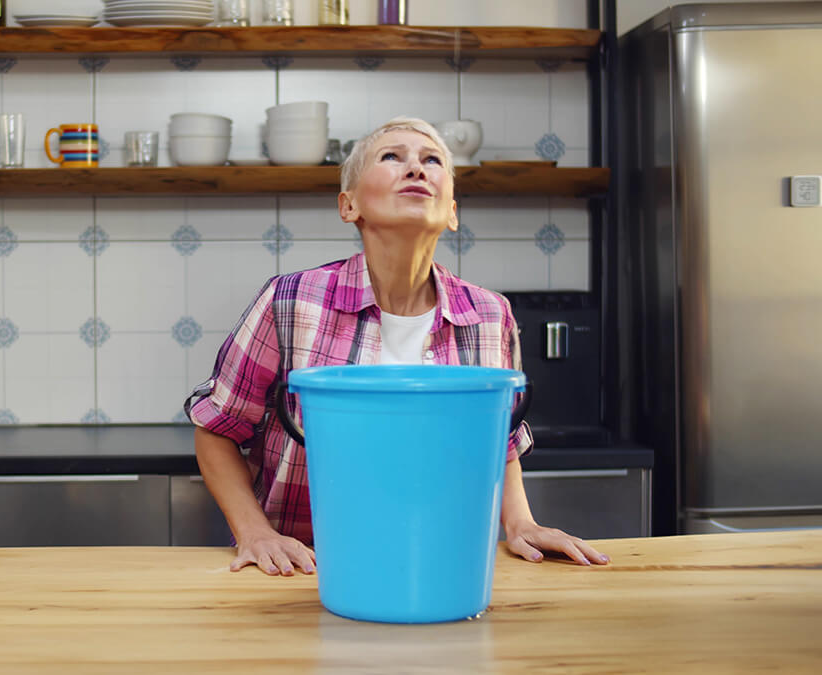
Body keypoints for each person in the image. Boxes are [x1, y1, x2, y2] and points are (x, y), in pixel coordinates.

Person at [184, 117, 610, 576]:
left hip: (444, 565)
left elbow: (497, 441)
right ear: (348, 206)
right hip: (306, 569)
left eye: (432, 160)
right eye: (392, 157)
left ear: (451, 211)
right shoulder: (290, 302)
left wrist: (521, 523)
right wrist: (255, 532)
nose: (416, 168)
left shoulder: (490, 315)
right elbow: (217, 429)